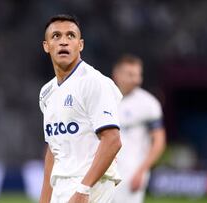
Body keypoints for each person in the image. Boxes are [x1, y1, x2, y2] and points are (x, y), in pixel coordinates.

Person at [38, 14, 123, 203]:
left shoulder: (94, 83)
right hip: (61, 185)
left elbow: (112, 139)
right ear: (46, 46)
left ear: (80, 44)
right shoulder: (47, 93)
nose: (63, 42)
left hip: (91, 186)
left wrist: (84, 189)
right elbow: (54, 148)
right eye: (56, 36)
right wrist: (44, 198)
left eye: (70, 36)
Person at [112, 55, 166, 203]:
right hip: (104, 172)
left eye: (138, 75)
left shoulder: (148, 104)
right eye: (131, 75)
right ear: (117, 75)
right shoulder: (105, 99)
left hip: (131, 173)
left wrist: (143, 171)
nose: (136, 80)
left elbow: (159, 141)